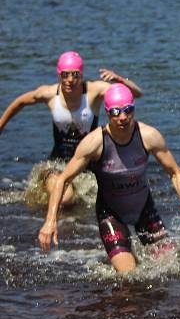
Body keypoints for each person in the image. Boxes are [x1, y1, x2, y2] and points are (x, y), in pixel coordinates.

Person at [37, 84, 180, 273]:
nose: (122, 117)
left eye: (127, 111)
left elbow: (175, 172)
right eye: (116, 112)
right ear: (107, 113)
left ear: (133, 109)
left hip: (143, 208)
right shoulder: (94, 143)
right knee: (129, 277)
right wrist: (50, 221)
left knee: (173, 268)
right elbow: (63, 180)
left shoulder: (149, 136)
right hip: (111, 214)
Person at [0, 51, 143, 205]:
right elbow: (19, 102)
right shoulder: (49, 94)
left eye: (75, 74)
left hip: (88, 166)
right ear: (59, 75)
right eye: (65, 75)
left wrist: (120, 80)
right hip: (57, 164)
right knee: (66, 198)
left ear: (81, 75)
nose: (70, 80)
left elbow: (136, 94)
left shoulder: (93, 91)